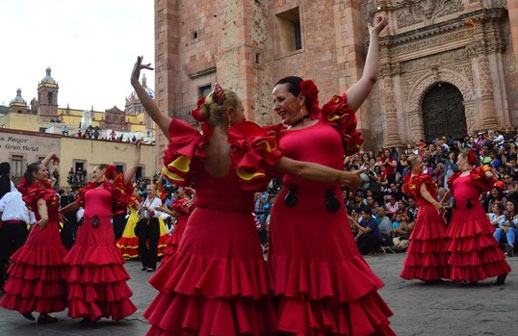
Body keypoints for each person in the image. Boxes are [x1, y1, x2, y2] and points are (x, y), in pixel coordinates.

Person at [131, 56, 363, 335]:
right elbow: (299, 167)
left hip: (200, 229)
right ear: (231, 114)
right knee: (236, 297)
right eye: (242, 109)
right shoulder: (250, 150)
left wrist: (136, 84)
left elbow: (157, 116)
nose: (245, 113)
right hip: (238, 232)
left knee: (193, 293)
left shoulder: (194, 143)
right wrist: (344, 177)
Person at [268, 17, 394, 334]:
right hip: (292, 214)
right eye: (273, 102)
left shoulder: (332, 117)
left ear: (301, 97)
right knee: (296, 287)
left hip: (328, 212)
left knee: (339, 278)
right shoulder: (274, 135)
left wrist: (373, 35)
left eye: (280, 99)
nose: (276, 107)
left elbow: (369, 78)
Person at [59, 164, 136, 322]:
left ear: (103, 172)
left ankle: (107, 307)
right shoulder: (87, 189)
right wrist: (61, 211)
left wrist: (137, 153)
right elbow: (78, 204)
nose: (91, 174)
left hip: (102, 228)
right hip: (86, 228)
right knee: (85, 267)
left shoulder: (113, 187)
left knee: (103, 266)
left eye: (94, 171)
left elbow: (130, 173)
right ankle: (88, 308)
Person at [0, 153, 67, 324]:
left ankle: (37, 310)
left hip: (47, 231)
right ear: (36, 175)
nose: (47, 172)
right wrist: (45, 217)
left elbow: (35, 169)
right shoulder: (36, 190)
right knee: (45, 271)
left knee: (40, 271)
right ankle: (37, 310)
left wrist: (51, 155)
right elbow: (42, 205)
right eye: (44, 171)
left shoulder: (39, 186)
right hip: (45, 230)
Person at [441, 151, 511, 285]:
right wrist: (440, 203)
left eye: (459, 159)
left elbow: (491, 177)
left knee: (481, 243)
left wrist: (486, 171)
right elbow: (451, 192)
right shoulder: (457, 176)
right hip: (459, 213)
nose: (456, 162)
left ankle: (501, 270)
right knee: (465, 245)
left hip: (473, 211)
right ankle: (472, 274)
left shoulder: (476, 172)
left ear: (466, 160)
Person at [400, 155, 450, 282]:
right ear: (414, 166)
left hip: (423, 210)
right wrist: (435, 203)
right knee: (432, 240)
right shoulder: (419, 178)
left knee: (426, 241)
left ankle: (429, 272)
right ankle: (433, 272)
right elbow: (424, 192)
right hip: (428, 210)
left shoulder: (410, 179)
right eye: (420, 163)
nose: (422, 165)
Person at [0, 162, 32, 292]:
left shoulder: (8, 195)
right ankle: (21, 282)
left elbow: (0, 209)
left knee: (2, 255)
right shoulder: (29, 197)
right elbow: (32, 215)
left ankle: (2, 282)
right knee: (22, 256)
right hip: (22, 227)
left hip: (7, 226)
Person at [136, 184, 163, 272]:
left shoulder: (158, 201)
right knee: (141, 243)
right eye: (147, 190)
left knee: (153, 244)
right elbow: (141, 214)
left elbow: (158, 213)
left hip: (153, 223)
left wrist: (148, 209)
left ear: (155, 191)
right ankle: (145, 263)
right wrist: (140, 209)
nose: (148, 192)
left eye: (150, 190)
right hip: (145, 222)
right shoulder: (146, 200)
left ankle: (152, 265)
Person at [116, 187, 142, 258]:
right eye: (136, 190)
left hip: (132, 217)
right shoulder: (134, 199)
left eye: (137, 190)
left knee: (132, 235)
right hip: (135, 217)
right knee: (135, 235)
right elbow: (139, 208)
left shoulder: (132, 198)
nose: (137, 192)